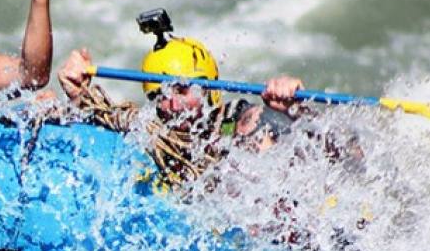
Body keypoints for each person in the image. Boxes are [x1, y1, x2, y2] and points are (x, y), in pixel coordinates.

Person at [56, 36, 306, 188]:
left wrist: (289, 112)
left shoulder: (232, 121)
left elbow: (257, 129)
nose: (173, 106)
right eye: (161, 96)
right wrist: (80, 94)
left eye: (183, 92)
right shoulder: (153, 130)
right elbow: (111, 115)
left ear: (208, 89)